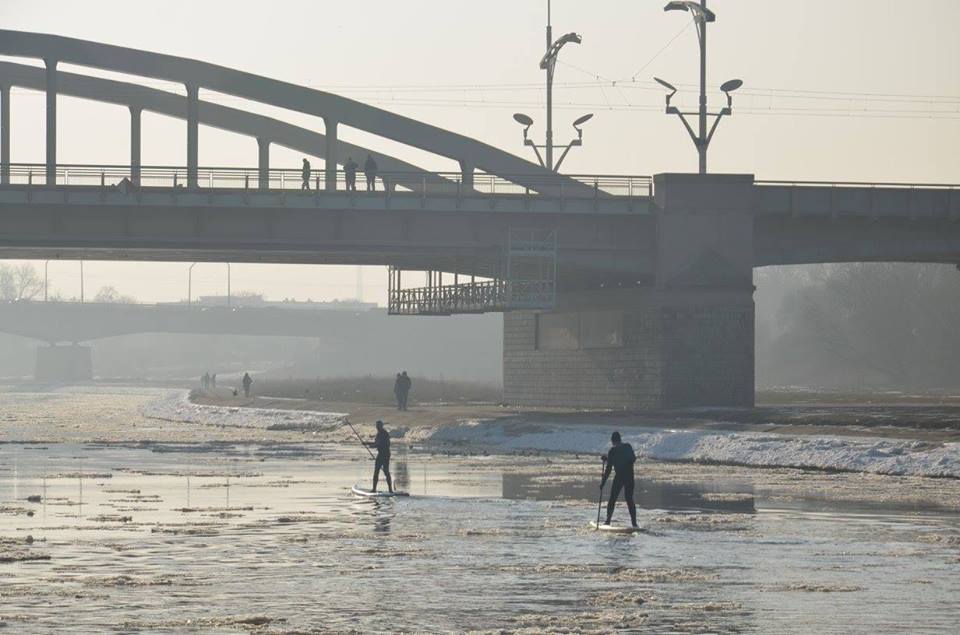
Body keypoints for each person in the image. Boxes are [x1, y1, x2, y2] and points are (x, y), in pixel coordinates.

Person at [600, 431, 638, 528]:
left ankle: (608, 521)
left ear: (613, 441)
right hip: (628, 476)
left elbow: (608, 470)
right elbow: (633, 458)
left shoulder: (613, 451)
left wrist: (603, 483)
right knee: (628, 499)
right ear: (620, 439)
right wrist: (609, 459)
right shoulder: (627, 447)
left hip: (622, 476)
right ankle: (634, 523)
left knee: (614, 499)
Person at [365, 420, 393, 493]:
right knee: (378, 471)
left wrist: (372, 445)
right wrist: (367, 443)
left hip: (385, 454)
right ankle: (375, 489)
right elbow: (377, 443)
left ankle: (390, 489)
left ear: (381, 426)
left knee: (385, 471)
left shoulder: (384, 433)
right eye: (377, 426)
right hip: (382, 454)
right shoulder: (379, 433)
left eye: (379, 426)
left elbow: (380, 444)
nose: (377, 427)